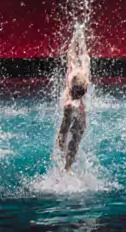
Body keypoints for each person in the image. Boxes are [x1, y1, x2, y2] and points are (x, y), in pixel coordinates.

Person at [57, 24, 92, 171]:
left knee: (64, 132)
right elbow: (85, 56)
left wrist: (74, 38)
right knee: (75, 139)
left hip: (70, 105)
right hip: (80, 110)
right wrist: (81, 36)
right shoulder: (84, 73)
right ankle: (68, 167)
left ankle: (62, 161)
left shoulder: (71, 74)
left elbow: (71, 55)